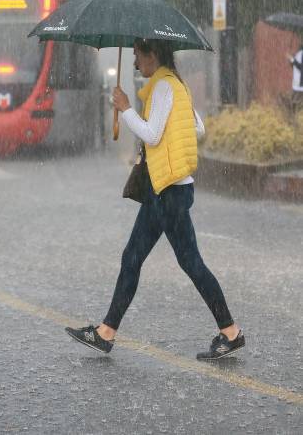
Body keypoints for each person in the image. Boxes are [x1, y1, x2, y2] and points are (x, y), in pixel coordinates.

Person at [65, 38, 245, 361]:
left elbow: (152, 134)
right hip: (170, 189)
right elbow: (198, 128)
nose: (135, 62)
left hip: (167, 191)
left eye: (137, 55)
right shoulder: (176, 85)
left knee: (140, 258)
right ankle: (229, 331)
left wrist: (125, 109)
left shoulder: (164, 87)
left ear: (153, 54)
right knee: (167, 260)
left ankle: (107, 332)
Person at [287, 44, 303, 112]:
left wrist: (292, 60)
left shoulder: (300, 54)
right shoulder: (299, 54)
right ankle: (293, 111)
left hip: (299, 81)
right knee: (295, 98)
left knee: (296, 98)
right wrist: (291, 60)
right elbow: (296, 67)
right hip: (298, 81)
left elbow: (300, 67)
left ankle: (293, 111)